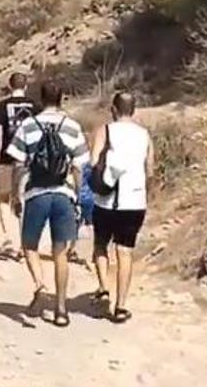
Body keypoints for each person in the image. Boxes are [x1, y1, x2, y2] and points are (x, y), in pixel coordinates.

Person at [6, 81, 90, 328]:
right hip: (63, 194)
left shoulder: (28, 125)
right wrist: (76, 193)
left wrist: (14, 193)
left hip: (36, 194)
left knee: (29, 245)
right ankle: (61, 309)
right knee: (60, 252)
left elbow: (19, 164)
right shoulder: (73, 127)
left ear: (41, 99)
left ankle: (40, 285)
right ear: (62, 98)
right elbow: (79, 166)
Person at [89, 92, 154, 323]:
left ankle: (104, 287)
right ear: (133, 110)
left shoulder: (105, 131)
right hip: (134, 201)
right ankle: (121, 305)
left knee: (100, 246)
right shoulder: (144, 135)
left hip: (106, 200)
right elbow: (150, 169)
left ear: (113, 110)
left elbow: (93, 162)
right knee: (125, 251)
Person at [0, 72, 42, 257]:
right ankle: (24, 242)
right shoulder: (36, 106)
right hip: (29, 160)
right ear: (25, 86)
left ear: (10, 86)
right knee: (23, 199)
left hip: (6, 159)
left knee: (4, 198)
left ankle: (10, 239)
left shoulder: (1, 106)